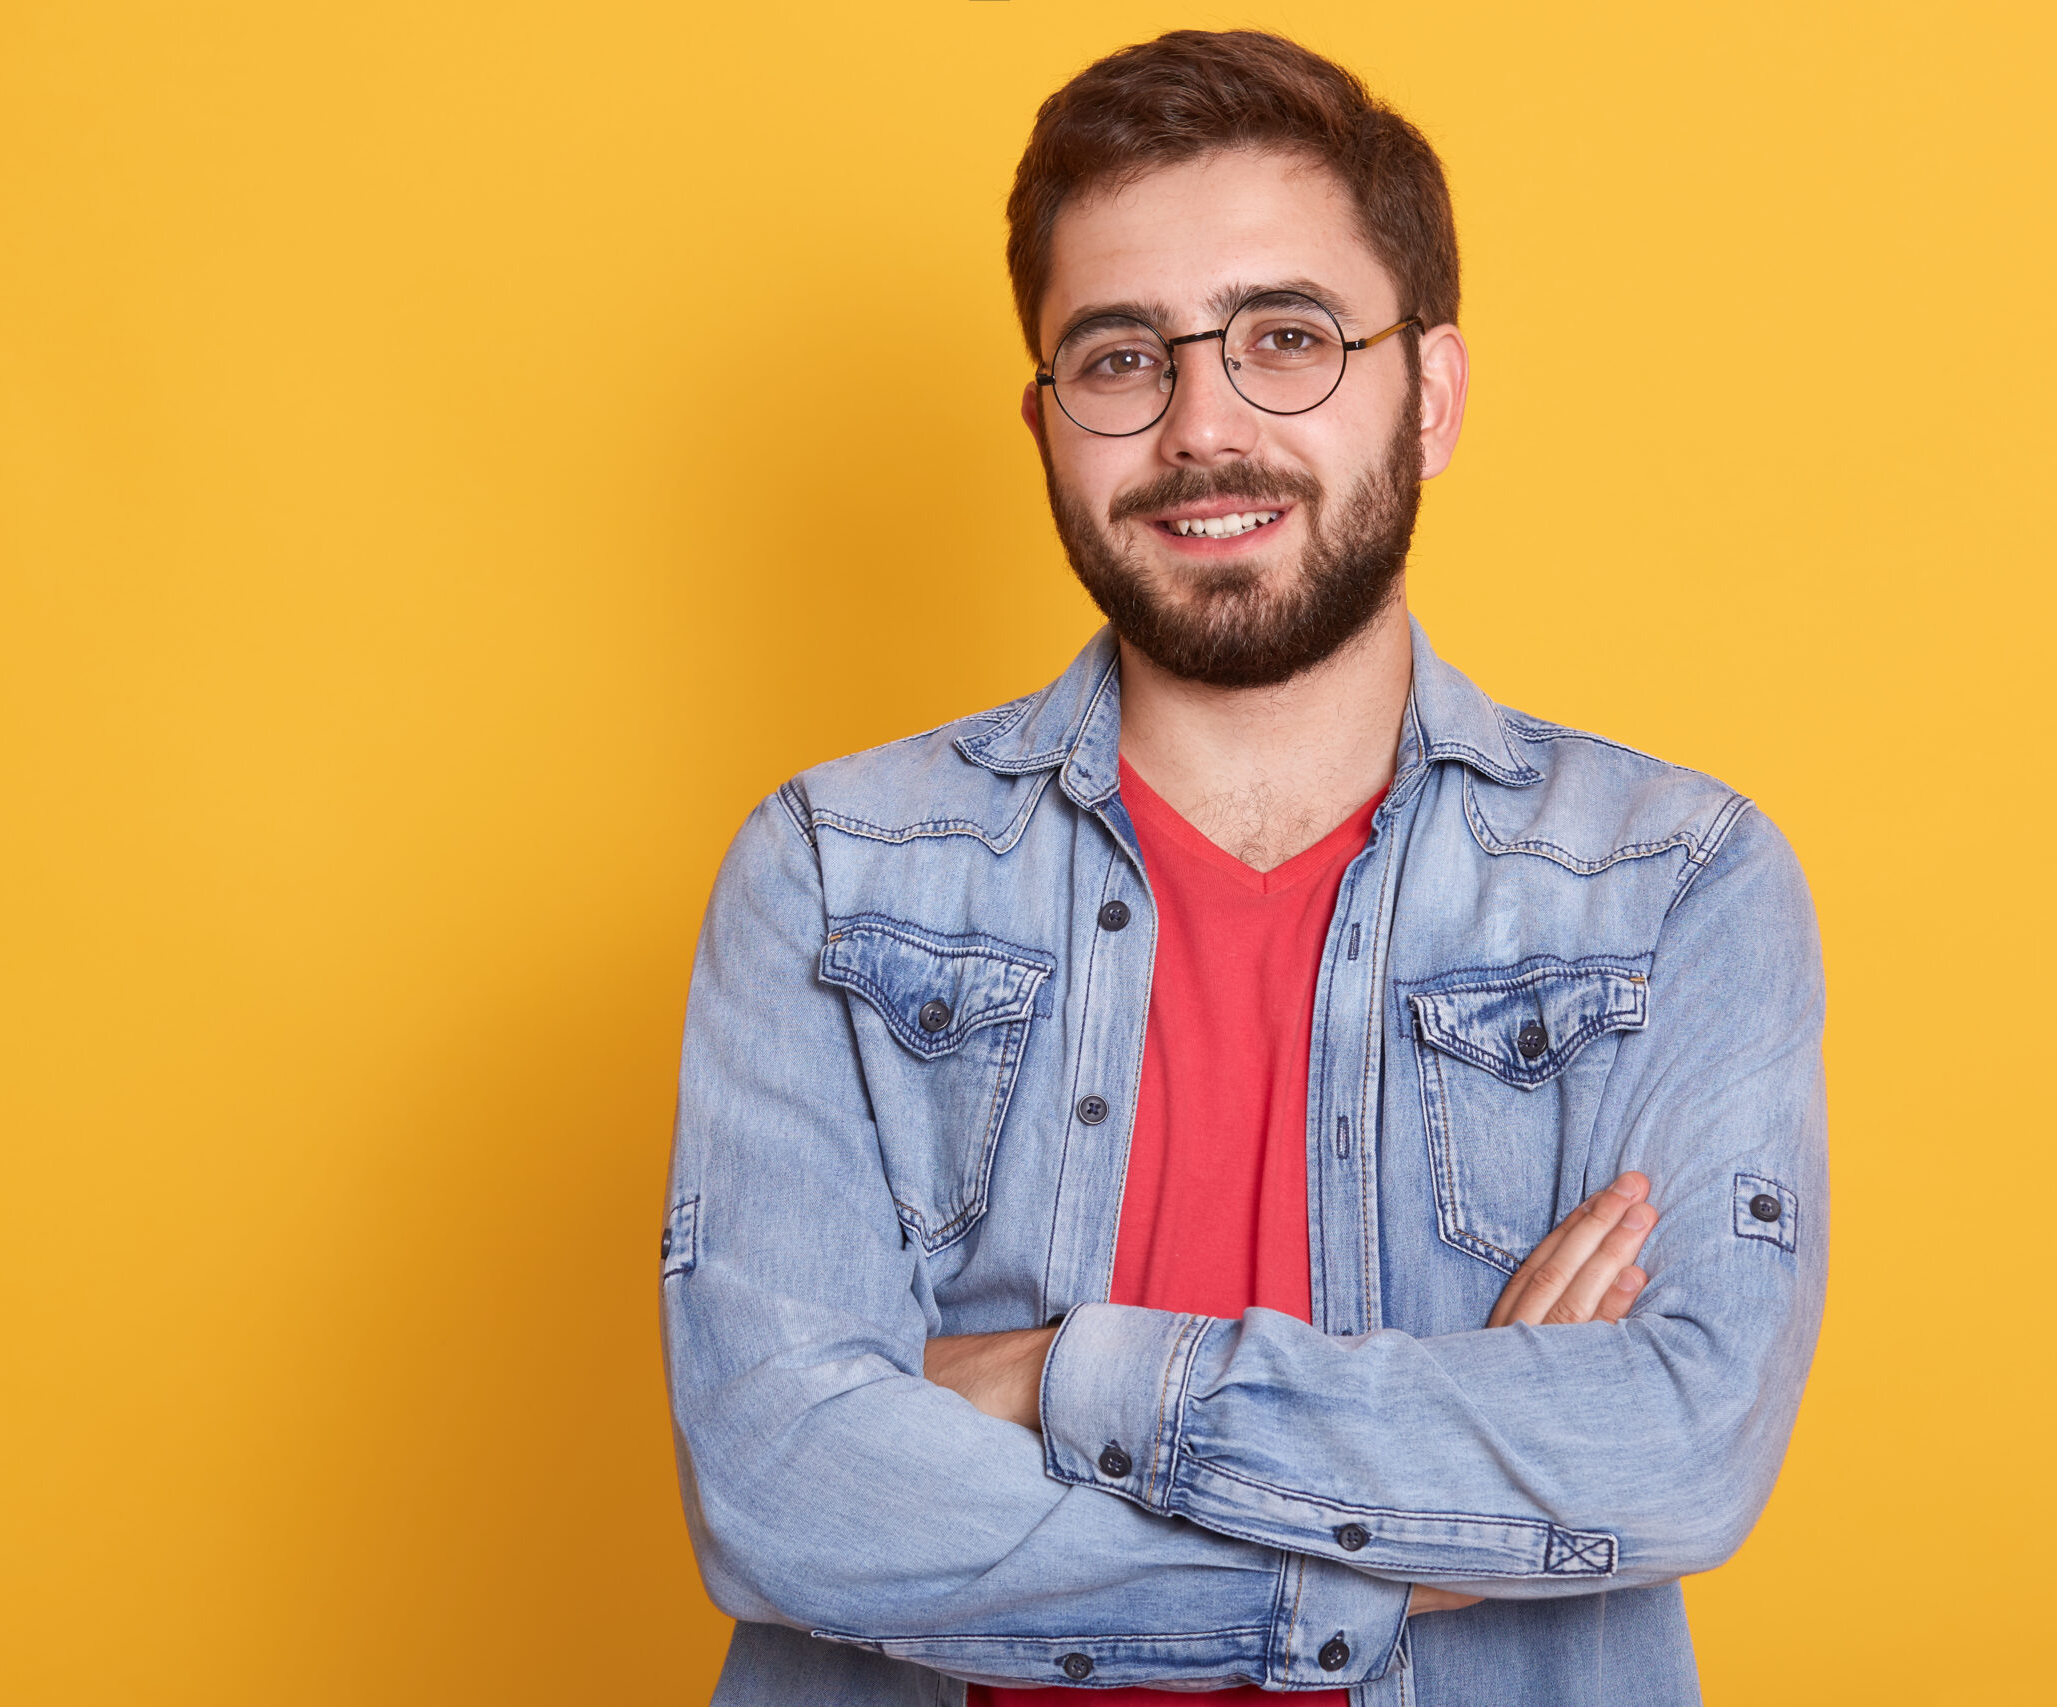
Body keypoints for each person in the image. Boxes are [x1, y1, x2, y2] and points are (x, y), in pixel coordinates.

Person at [661, 29, 1826, 1707]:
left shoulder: (1671, 885)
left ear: (1426, 395)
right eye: (1123, 359)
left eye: (1288, 337)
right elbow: (784, 1495)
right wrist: (1406, 1541)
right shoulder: (835, 879)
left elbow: (1675, 1452)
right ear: (1047, 420)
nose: (1206, 426)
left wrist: (1063, 1377)